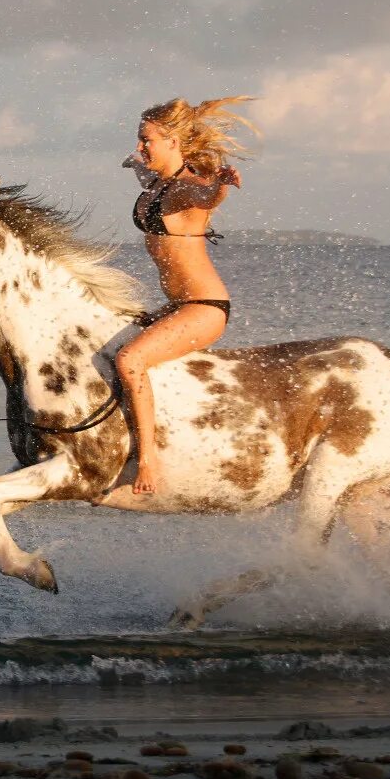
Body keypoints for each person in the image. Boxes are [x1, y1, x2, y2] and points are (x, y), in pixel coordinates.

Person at [114, 97, 255, 495]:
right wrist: (138, 161)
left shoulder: (187, 187)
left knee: (130, 359)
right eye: (139, 140)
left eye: (147, 141)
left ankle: (148, 459)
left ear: (174, 141)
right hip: (174, 306)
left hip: (204, 308)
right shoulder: (157, 182)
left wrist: (220, 183)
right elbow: (140, 168)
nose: (141, 147)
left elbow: (205, 195)